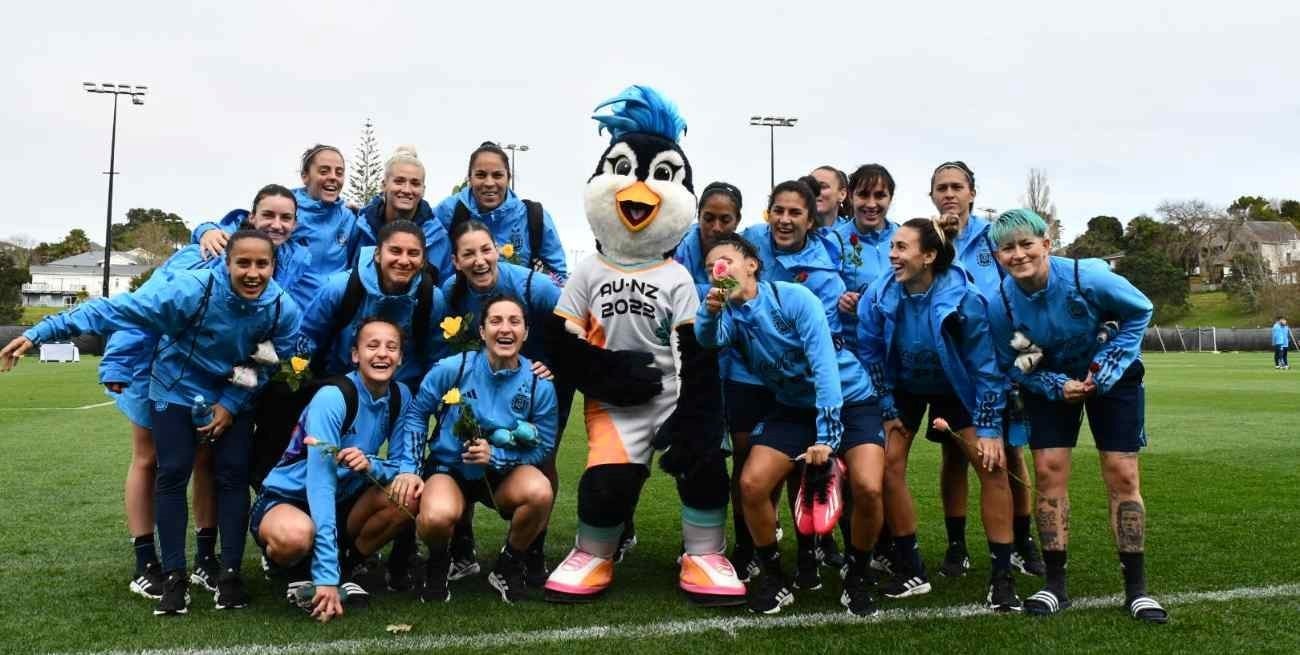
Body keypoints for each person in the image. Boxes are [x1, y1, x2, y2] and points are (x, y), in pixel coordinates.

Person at [2, 230, 302, 616]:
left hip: (232, 394)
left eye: (262, 264)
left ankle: (230, 576)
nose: (252, 272)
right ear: (227, 263)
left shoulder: (282, 308)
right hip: (175, 387)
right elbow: (113, 311)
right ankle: (174, 577)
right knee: (172, 472)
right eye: (243, 263)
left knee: (231, 475)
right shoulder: (189, 291)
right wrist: (39, 332)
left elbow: (270, 362)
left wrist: (230, 403)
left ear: (273, 267)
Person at [99, 185, 311, 600]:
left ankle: (206, 559)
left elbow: (273, 334)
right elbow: (145, 304)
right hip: (161, 365)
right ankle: (146, 559)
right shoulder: (207, 250)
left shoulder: (291, 261)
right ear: (251, 217)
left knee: (208, 462)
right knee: (151, 458)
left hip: (228, 376)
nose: (277, 224)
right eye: (268, 215)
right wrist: (120, 360)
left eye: (286, 217)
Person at [987, 208, 1167, 623]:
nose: (1019, 254)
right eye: (1008, 248)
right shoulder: (1002, 306)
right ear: (998, 256)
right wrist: (1055, 384)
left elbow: (1139, 310)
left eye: (1027, 244)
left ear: (1046, 244)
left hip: (1114, 378)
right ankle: (1054, 585)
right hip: (1054, 383)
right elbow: (1020, 358)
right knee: (1048, 471)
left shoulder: (1090, 277)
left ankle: (1137, 590)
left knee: (1122, 474)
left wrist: (1105, 366)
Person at [698, 233, 886, 617]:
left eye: (726, 260)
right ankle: (774, 578)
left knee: (868, 486)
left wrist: (827, 438)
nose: (718, 270)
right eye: (710, 267)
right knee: (751, 484)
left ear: (752, 264)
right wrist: (709, 312)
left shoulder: (794, 298)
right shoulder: (730, 315)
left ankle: (856, 576)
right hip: (793, 409)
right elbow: (709, 339)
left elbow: (825, 368)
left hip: (851, 401)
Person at [856, 216, 1021, 611]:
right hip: (904, 388)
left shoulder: (965, 298)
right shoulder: (879, 294)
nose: (892, 255)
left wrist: (989, 429)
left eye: (901, 247)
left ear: (929, 256)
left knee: (992, 467)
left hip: (956, 387)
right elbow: (870, 351)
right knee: (888, 465)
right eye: (892, 247)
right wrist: (886, 405)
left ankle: (1002, 577)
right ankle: (911, 568)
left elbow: (985, 367)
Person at [252, 318, 422, 623]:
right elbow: (321, 485)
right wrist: (325, 577)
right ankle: (296, 568)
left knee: (408, 494)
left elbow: (401, 466)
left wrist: (372, 464)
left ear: (400, 358)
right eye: (372, 345)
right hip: (292, 498)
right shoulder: (333, 397)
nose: (382, 354)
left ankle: (347, 568)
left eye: (391, 347)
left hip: (346, 498)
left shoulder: (401, 396)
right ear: (355, 355)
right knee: (295, 537)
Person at [927, 161, 1042, 578]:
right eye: (941, 188)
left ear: (972, 193)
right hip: (952, 363)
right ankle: (956, 546)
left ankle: (1022, 541)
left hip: (999, 358)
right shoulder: (928, 237)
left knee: (1010, 451)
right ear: (932, 196)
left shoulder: (993, 237)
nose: (949, 194)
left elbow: (1015, 284)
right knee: (955, 453)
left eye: (956, 187)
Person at [404, 296, 558, 604]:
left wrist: (497, 456)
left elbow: (543, 445)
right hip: (450, 468)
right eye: (496, 321)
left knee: (540, 491)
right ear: (482, 331)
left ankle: (508, 565)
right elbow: (417, 414)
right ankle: (439, 561)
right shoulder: (453, 368)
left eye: (515, 321)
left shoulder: (539, 384)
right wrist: (410, 468)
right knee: (435, 517)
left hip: (502, 474)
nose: (505, 329)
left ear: (526, 332)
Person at [442, 219, 567, 585]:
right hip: (481, 375)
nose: (479, 260)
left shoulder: (535, 286)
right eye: (468, 254)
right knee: (464, 448)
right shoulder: (451, 292)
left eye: (486, 250)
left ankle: (532, 548)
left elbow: (577, 328)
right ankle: (462, 548)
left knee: (542, 457)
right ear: (456, 261)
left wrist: (552, 365)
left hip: (542, 376)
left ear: (497, 250)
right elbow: (442, 338)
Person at [740, 177, 851, 587]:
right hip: (760, 382)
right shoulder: (750, 243)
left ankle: (811, 553)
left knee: (804, 469)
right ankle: (757, 556)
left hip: (805, 387)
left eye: (795, 213)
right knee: (753, 473)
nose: (784, 220)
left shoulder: (823, 275)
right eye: (778, 211)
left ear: (811, 221)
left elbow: (822, 350)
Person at [192, 144, 357, 298]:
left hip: (332, 307)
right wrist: (206, 230)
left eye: (339, 172)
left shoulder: (350, 218)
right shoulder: (286, 208)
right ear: (305, 176)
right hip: (290, 306)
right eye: (324, 171)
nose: (333, 177)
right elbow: (244, 225)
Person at [434, 141, 567, 282]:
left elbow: (559, 278)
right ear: (470, 178)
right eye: (480, 175)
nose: (489, 183)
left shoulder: (534, 217)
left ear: (508, 178)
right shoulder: (448, 211)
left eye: (497, 175)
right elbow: (432, 268)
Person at [351, 146, 454, 282]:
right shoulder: (360, 227)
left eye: (415, 183)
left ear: (423, 190)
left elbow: (445, 287)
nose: (406, 190)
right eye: (399, 181)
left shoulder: (438, 237)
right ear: (384, 185)